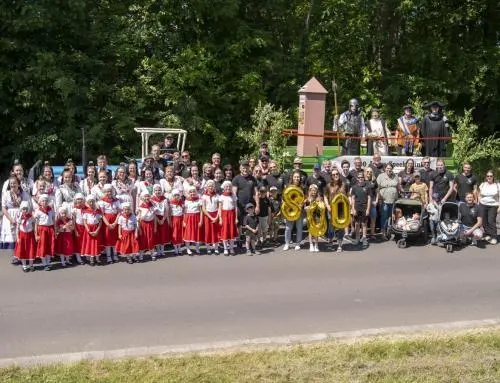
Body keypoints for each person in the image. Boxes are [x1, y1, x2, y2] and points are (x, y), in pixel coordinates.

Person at [2, 176, 30, 263]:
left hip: (21, 215)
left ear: (18, 184)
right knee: (13, 237)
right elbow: (3, 208)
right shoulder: (6, 194)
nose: (12, 185)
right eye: (11, 183)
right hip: (9, 216)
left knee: (21, 236)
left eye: (14, 183)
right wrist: (11, 219)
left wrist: (23, 217)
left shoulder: (23, 193)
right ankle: (15, 255)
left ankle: (22, 254)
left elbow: (28, 205)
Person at [232, 160, 259, 236]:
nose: (245, 169)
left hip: (250, 206)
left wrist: (257, 206)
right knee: (239, 224)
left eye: (246, 168)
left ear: (249, 168)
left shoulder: (253, 179)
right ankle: (239, 240)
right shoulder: (236, 179)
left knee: (251, 222)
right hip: (240, 206)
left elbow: (256, 193)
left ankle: (250, 240)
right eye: (243, 168)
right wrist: (235, 207)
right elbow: (234, 194)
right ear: (240, 168)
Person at [324, 168, 347, 252]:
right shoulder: (328, 185)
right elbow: (325, 196)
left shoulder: (344, 184)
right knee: (331, 226)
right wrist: (327, 206)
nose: (335, 175)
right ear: (331, 176)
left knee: (340, 227)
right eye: (333, 174)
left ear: (339, 174)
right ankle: (330, 241)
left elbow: (348, 196)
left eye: (337, 174)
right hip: (331, 209)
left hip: (341, 210)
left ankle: (340, 245)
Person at [98, 184, 121, 264]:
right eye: (107, 191)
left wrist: (115, 222)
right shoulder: (102, 201)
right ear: (104, 192)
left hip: (115, 220)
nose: (109, 193)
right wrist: (107, 224)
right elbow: (102, 214)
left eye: (110, 191)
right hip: (107, 221)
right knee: (108, 239)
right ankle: (108, 256)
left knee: (115, 238)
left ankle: (114, 254)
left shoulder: (116, 200)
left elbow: (119, 212)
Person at [283, 170, 305, 251]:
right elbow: (284, 198)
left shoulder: (302, 187)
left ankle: (298, 243)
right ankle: (287, 243)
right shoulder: (288, 186)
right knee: (288, 228)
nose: (296, 178)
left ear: (300, 178)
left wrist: (303, 203)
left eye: (298, 177)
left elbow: (305, 198)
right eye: (295, 177)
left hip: (299, 211)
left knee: (299, 228)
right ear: (292, 177)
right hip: (290, 210)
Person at [34, 194, 56, 271]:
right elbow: (36, 224)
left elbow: (54, 221)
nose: (44, 202)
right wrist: (36, 234)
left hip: (50, 229)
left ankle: (48, 261)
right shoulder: (38, 211)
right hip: (42, 229)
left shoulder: (51, 210)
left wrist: (55, 231)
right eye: (43, 201)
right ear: (40, 202)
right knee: (42, 246)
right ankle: (44, 263)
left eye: (46, 201)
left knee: (50, 245)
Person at [377, 163, 399, 237]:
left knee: (391, 216)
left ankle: (391, 231)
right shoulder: (380, 176)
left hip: (393, 201)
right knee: (384, 216)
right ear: (385, 168)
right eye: (387, 168)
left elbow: (398, 187)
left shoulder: (395, 176)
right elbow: (377, 188)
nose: (389, 170)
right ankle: (383, 231)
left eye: (390, 168)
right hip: (384, 200)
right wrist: (379, 199)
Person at [350, 172, 371, 248]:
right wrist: (353, 209)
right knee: (357, 224)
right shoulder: (354, 187)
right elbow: (352, 198)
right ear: (357, 178)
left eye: (361, 177)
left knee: (364, 224)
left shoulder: (367, 187)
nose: (360, 179)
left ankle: (364, 238)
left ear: (364, 178)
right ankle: (357, 238)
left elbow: (369, 198)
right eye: (359, 177)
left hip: (364, 208)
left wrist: (368, 209)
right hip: (356, 208)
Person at [478, 171, 499, 245]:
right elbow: (479, 194)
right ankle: (487, 234)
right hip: (483, 204)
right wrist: (479, 202)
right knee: (484, 221)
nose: (489, 177)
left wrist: (499, 206)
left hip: (493, 205)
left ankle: (494, 237)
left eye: (491, 176)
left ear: (493, 177)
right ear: (486, 177)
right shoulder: (483, 184)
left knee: (491, 221)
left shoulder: (497, 185)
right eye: (488, 176)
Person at [14, 201, 36, 272]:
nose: (25, 210)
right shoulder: (19, 218)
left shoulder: (31, 217)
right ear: (21, 209)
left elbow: (33, 225)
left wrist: (34, 234)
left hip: (30, 235)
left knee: (30, 250)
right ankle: (24, 265)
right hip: (22, 236)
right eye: (23, 209)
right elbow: (17, 228)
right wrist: (17, 237)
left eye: (26, 209)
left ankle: (31, 265)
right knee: (22, 251)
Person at [81, 194, 103, 266]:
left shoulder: (98, 211)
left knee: (96, 244)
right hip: (89, 229)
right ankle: (91, 259)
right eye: (90, 202)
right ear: (87, 203)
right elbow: (84, 222)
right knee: (90, 244)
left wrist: (97, 230)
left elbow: (100, 222)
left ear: (94, 202)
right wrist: (88, 230)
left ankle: (97, 258)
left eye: (92, 202)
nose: (91, 203)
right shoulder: (86, 211)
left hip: (96, 228)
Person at [219, 181, 238, 255]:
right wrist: (220, 218)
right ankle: (225, 249)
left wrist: (236, 218)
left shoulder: (233, 196)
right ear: (224, 188)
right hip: (224, 215)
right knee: (225, 232)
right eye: (226, 186)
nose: (228, 188)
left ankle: (231, 248)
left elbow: (236, 207)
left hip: (232, 215)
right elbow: (220, 208)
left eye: (229, 186)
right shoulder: (221, 197)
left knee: (231, 232)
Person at [136, 191, 157, 261]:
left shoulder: (153, 206)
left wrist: (155, 227)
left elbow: (154, 217)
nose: (147, 198)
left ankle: (152, 253)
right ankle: (141, 254)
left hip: (150, 224)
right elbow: (138, 219)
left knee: (151, 239)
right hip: (143, 225)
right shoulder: (140, 207)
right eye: (145, 196)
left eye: (148, 196)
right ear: (142, 198)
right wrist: (139, 229)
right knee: (143, 239)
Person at [183, 186, 203, 255]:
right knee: (188, 233)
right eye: (190, 192)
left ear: (196, 192)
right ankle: (188, 249)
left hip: (196, 218)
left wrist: (201, 221)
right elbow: (185, 212)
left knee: (197, 233)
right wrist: (184, 221)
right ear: (188, 193)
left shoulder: (199, 200)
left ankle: (197, 248)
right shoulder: (186, 200)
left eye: (193, 191)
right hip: (189, 218)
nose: (192, 193)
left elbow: (201, 211)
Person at [151, 184, 170, 260]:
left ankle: (162, 250)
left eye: (159, 190)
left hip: (163, 218)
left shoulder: (164, 199)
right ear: (154, 191)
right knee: (157, 234)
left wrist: (163, 219)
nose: (157, 192)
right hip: (156, 218)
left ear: (161, 191)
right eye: (156, 190)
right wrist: (158, 220)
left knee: (162, 234)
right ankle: (158, 250)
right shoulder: (152, 199)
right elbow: (153, 211)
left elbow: (166, 210)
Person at [202, 180, 220, 255]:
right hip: (207, 216)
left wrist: (216, 217)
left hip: (216, 214)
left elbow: (219, 207)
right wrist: (210, 217)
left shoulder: (217, 195)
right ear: (206, 187)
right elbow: (203, 208)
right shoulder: (204, 196)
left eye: (212, 186)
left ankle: (216, 248)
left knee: (216, 232)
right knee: (208, 232)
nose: (211, 187)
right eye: (209, 186)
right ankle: (208, 249)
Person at [304, 184, 323, 252]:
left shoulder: (319, 198)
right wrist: (307, 208)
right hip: (309, 216)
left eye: (315, 190)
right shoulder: (307, 199)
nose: (313, 192)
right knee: (310, 231)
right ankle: (311, 244)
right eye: (312, 190)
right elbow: (304, 208)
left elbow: (322, 207)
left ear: (317, 191)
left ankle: (316, 245)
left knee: (316, 231)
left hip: (317, 216)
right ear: (310, 191)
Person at [364, 168, 378, 238]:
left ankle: (372, 234)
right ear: (365, 172)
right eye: (367, 171)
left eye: (370, 172)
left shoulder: (374, 181)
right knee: (365, 220)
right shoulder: (362, 180)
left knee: (373, 219)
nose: (369, 173)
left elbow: (377, 192)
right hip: (364, 203)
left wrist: (376, 201)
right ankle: (364, 235)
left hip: (372, 202)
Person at [169, 189, 184, 255]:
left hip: (181, 219)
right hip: (174, 219)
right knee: (175, 233)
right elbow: (169, 213)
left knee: (180, 233)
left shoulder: (182, 203)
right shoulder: (171, 203)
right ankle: (175, 248)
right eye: (175, 195)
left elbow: (183, 212)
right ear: (173, 196)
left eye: (177, 195)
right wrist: (170, 221)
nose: (176, 197)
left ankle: (179, 247)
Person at [72, 193, 86, 265]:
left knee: (84, 242)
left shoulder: (86, 209)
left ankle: (84, 254)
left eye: (81, 200)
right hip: (78, 227)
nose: (79, 201)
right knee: (78, 243)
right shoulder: (74, 210)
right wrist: (75, 230)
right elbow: (73, 221)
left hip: (85, 227)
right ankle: (78, 257)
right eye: (78, 200)